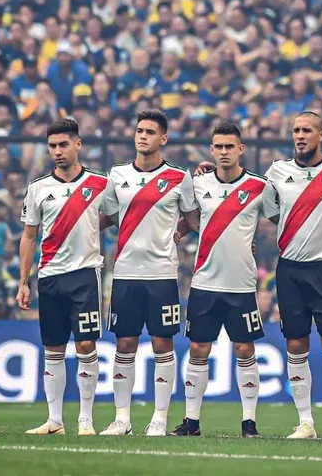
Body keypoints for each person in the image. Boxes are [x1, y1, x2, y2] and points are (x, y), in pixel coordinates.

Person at [195, 110, 322, 440]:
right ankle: (306, 422)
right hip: (290, 269)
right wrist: (213, 174)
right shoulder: (276, 173)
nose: (300, 135)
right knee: (295, 344)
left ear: (321, 135)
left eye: (307, 130)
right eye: (296, 129)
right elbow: (261, 206)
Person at [171, 122, 277, 438]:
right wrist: (179, 232)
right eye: (218, 146)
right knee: (199, 349)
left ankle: (249, 423)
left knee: (245, 350)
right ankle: (191, 422)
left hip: (242, 285)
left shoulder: (259, 186)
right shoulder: (198, 184)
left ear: (240, 149)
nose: (224, 152)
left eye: (230, 146)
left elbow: (279, 220)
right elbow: (190, 220)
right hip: (204, 282)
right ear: (211, 149)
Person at [98, 109, 198, 436]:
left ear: (163, 139)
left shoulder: (178, 177)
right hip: (125, 272)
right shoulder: (116, 175)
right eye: (139, 130)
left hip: (162, 274)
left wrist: (186, 233)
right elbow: (107, 217)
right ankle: (122, 419)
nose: (143, 136)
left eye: (150, 132)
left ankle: (159, 418)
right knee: (124, 343)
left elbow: (195, 219)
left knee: (161, 344)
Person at [19, 117, 108, 435]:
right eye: (52, 146)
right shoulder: (38, 188)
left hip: (84, 276)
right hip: (50, 277)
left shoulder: (100, 184)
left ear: (78, 144)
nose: (57, 151)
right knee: (53, 348)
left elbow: (114, 217)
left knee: (85, 344)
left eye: (63, 144)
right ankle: (54, 420)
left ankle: (86, 419)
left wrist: (87, 228)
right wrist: (24, 280)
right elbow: (29, 236)